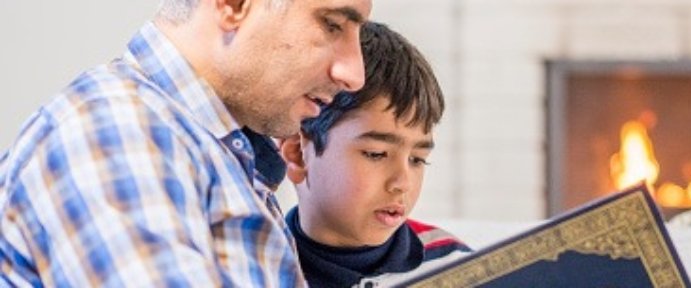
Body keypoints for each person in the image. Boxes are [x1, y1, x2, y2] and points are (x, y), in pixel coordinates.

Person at [0, 0, 371, 286]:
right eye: (332, 25)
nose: (354, 74)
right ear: (234, 4)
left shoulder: (216, 153)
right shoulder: (117, 132)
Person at [278, 22, 470, 287]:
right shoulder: (258, 266)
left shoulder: (455, 265)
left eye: (417, 159)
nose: (402, 183)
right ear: (298, 154)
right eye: (376, 154)